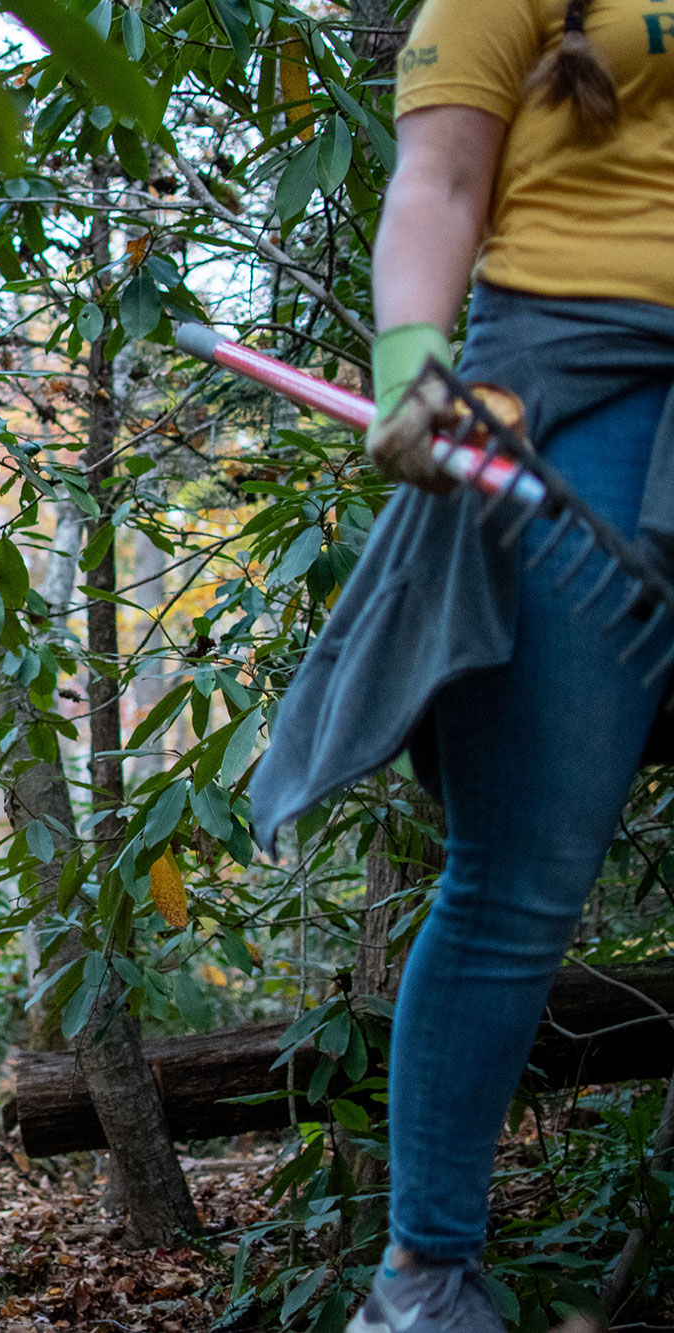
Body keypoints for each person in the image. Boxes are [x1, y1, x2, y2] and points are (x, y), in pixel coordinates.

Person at [248, 2, 674, 1330]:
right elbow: (437, 176)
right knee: (519, 878)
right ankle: (425, 1286)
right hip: (570, 391)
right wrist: (413, 357)